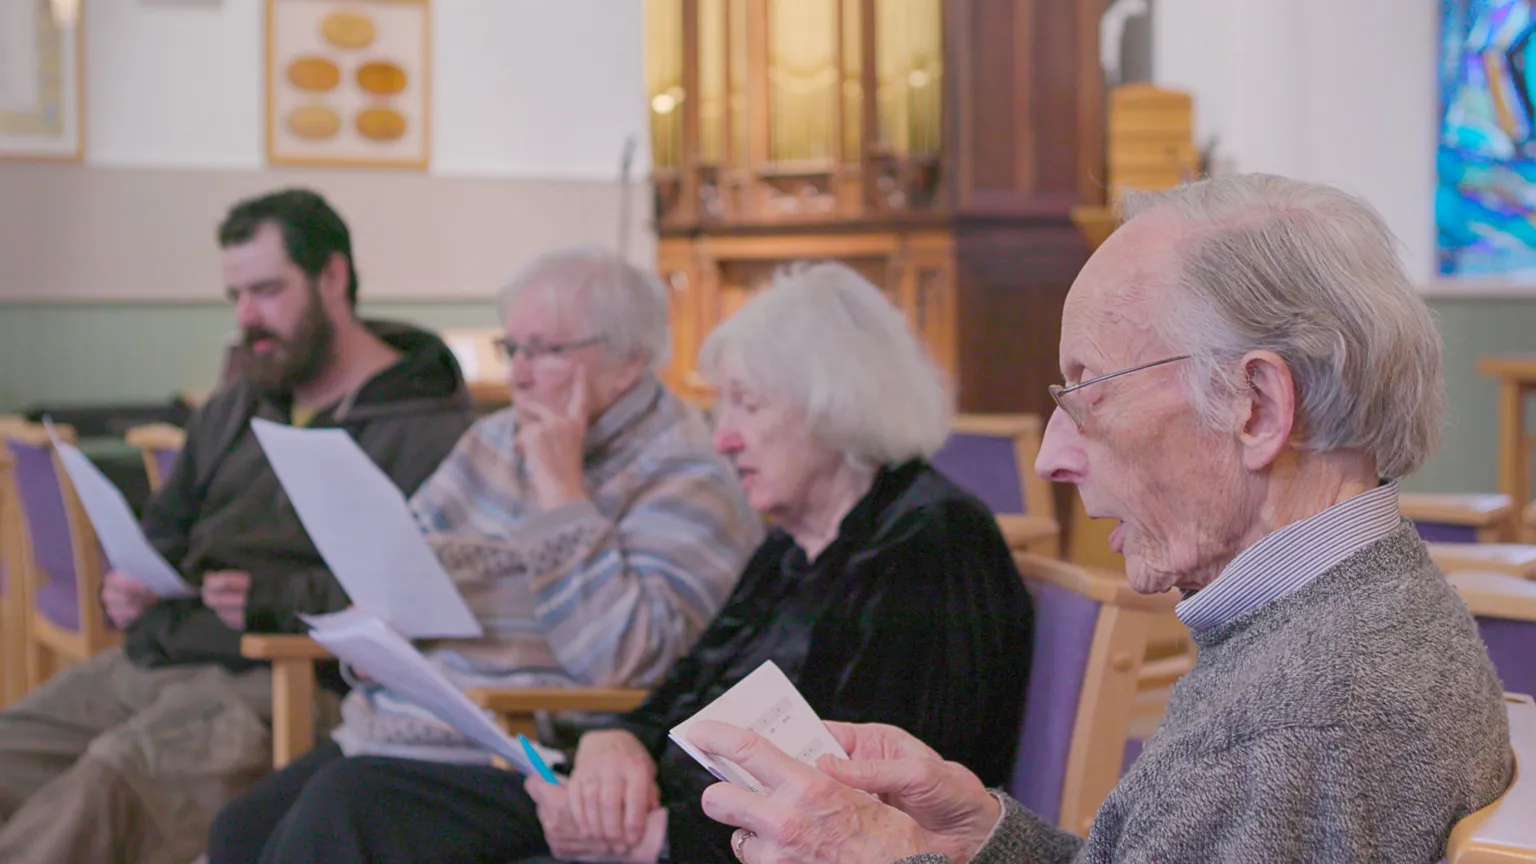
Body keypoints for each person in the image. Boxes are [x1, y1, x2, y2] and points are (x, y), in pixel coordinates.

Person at [685, 174, 1515, 864]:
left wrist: (876, 856)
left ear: (1256, 406)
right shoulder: (1333, 624)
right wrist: (984, 837)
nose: (1053, 456)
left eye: (1088, 394)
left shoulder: (1300, 718)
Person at [208, 260, 1035, 864]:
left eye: (747, 405)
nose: (723, 437)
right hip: (662, 816)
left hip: (719, 845)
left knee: (355, 816)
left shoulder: (927, 547)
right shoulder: (801, 538)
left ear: (833, 402)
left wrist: (652, 837)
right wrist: (618, 745)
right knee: (262, 825)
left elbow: (863, 799)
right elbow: (687, 683)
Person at [205, 246, 766, 863]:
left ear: (628, 360)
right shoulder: (494, 438)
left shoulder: (690, 473)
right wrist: (376, 629)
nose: (520, 374)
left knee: (343, 812)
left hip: (540, 754)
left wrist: (562, 493)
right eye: (513, 349)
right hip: (407, 729)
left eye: (547, 351)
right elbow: (402, 558)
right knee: (239, 829)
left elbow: (626, 664)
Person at [0, 188, 477, 864]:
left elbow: (418, 593)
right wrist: (135, 577)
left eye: (267, 290)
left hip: (281, 681)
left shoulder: (430, 427)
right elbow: (169, 522)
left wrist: (270, 601)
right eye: (236, 296)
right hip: (160, 653)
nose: (248, 317)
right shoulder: (239, 402)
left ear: (332, 278)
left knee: (104, 785)